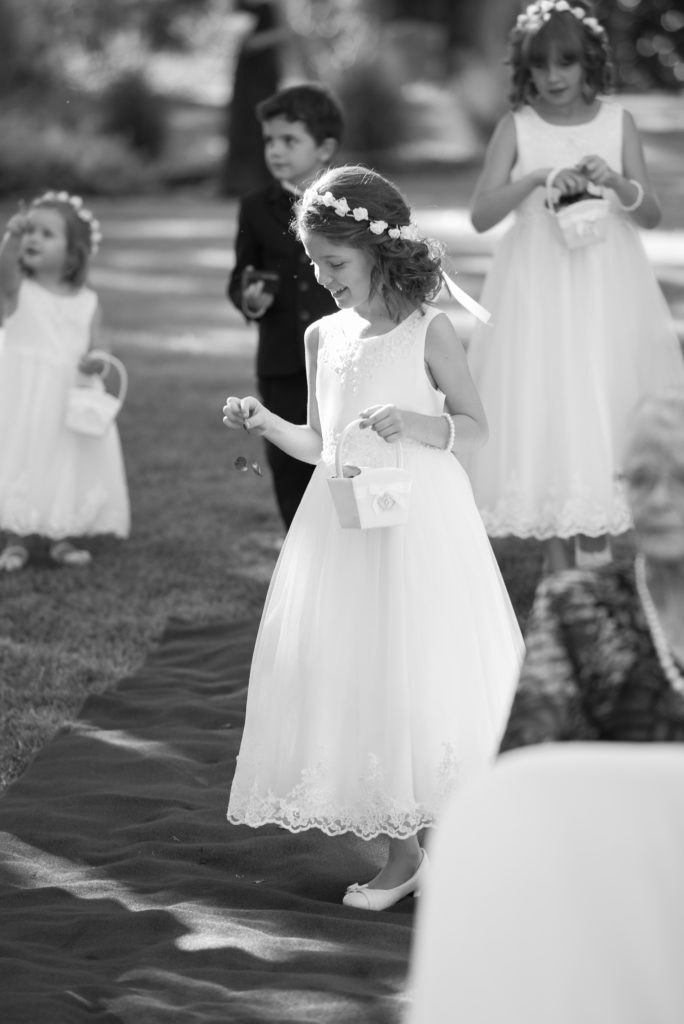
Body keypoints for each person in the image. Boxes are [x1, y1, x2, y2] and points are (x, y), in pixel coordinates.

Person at [223, 165, 524, 910]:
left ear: (378, 250)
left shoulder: (430, 329)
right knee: (364, 667)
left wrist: (422, 424)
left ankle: (448, 840)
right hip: (347, 525)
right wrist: (269, 424)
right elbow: (320, 441)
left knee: (422, 663)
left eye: (335, 263)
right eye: (316, 263)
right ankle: (405, 851)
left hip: (421, 523)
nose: (323, 278)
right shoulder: (321, 335)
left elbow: (479, 428)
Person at [465, 0, 684, 573]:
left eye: (566, 63)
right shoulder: (517, 127)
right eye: (541, 66)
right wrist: (534, 179)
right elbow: (482, 215)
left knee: (601, 392)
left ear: (590, 62)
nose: (554, 77)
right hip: (536, 286)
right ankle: (561, 564)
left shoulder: (618, 124)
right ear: (526, 69)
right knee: (547, 397)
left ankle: (595, 552)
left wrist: (616, 182)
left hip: (607, 286)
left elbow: (653, 214)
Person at [499, 387, 684, 751]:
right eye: (641, 478)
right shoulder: (576, 606)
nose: (659, 499)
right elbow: (527, 769)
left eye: (683, 477)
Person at [227, 83, 344, 529]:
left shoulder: (349, 200)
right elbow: (240, 275)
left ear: (324, 147)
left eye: (289, 140)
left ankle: (347, 543)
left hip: (342, 354)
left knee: (342, 450)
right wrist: (248, 298)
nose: (275, 150)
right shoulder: (255, 208)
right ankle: (300, 546)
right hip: (281, 361)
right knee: (288, 464)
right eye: (269, 140)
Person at [0, 191, 130, 571]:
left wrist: (97, 364)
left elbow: (99, 348)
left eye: (45, 233)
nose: (32, 239)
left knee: (63, 460)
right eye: (30, 232)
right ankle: (15, 537)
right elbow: (4, 267)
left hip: (68, 398)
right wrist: (11, 235)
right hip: (22, 395)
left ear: (73, 254)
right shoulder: (17, 289)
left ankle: (61, 534)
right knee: (22, 456)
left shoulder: (88, 300)